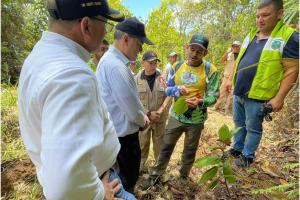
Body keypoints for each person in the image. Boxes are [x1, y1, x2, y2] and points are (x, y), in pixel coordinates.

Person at [17, 0, 133, 199]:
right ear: (86, 25)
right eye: (105, 23)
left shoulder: (41, 56)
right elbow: (66, 186)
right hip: (99, 184)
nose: (106, 31)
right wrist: (100, 194)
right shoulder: (72, 76)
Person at [142, 34, 220, 189]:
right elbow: (167, 89)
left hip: (196, 119)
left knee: (190, 150)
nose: (195, 53)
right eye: (192, 49)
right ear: (187, 48)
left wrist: (200, 102)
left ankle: (183, 175)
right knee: (166, 147)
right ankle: (155, 175)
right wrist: (177, 89)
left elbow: (214, 95)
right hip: (176, 117)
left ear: (205, 53)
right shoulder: (176, 66)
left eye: (199, 51)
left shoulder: (210, 70)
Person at [227, 0, 299, 168]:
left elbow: (292, 71)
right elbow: (241, 61)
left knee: (253, 128)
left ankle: (247, 156)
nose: (260, 19)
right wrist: (231, 81)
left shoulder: (289, 37)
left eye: (266, 15)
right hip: (240, 91)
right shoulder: (252, 34)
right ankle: (236, 149)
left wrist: (280, 98)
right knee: (239, 123)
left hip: (259, 95)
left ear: (280, 14)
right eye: (258, 16)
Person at [96, 17, 153, 193]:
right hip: (123, 140)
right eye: (139, 43)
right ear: (126, 39)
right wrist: (143, 121)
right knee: (125, 182)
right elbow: (132, 109)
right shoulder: (116, 67)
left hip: (116, 135)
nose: (141, 48)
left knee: (121, 180)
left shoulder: (112, 62)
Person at [135, 51, 171, 172]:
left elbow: (169, 95)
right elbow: (133, 100)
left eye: (155, 62)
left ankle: (159, 171)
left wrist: (160, 111)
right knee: (142, 144)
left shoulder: (162, 78)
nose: (153, 65)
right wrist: (148, 113)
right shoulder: (136, 79)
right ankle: (139, 168)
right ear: (143, 63)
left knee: (160, 145)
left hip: (159, 119)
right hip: (143, 119)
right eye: (150, 62)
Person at [214, 41, 241, 114]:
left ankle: (226, 111)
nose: (235, 47)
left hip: (236, 78)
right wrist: (226, 52)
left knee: (231, 94)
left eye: (237, 46)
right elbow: (222, 61)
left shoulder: (241, 55)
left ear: (240, 47)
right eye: (234, 46)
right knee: (221, 92)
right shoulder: (229, 54)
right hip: (226, 76)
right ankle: (216, 107)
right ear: (232, 46)